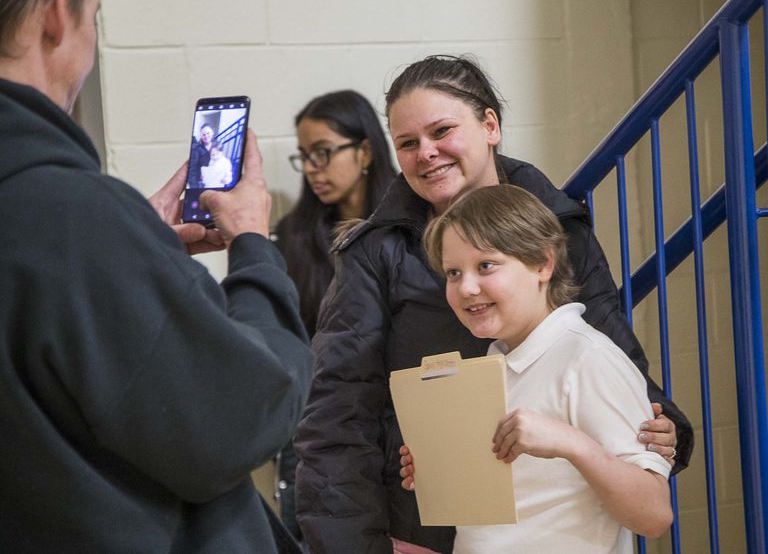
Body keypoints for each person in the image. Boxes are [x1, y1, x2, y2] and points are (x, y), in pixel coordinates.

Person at [294, 55, 693, 554]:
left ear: (489, 125)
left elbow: (609, 358)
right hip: (419, 530)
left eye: (442, 131)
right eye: (408, 143)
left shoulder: (560, 230)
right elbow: (338, 415)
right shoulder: (376, 252)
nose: (427, 153)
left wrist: (661, 426)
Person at [0, 0, 312, 552]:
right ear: (57, 14)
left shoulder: (67, 222)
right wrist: (254, 248)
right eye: (94, 18)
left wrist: (133, 247)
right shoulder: (75, 219)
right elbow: (244, 413)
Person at [398, 184, 673, 552]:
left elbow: (653, 516)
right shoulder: (489, 367)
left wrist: (572, 444)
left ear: (543, 264)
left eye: (485, 266)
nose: (466, 288)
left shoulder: (588, 357)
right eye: (453, 273)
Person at [272, 89, 396, 540]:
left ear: (364, 150)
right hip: (319, 423)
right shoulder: (294, 236)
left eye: (323, 153)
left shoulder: (407, 226)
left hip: (396, 417)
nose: (310, 169)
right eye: (303, 156)